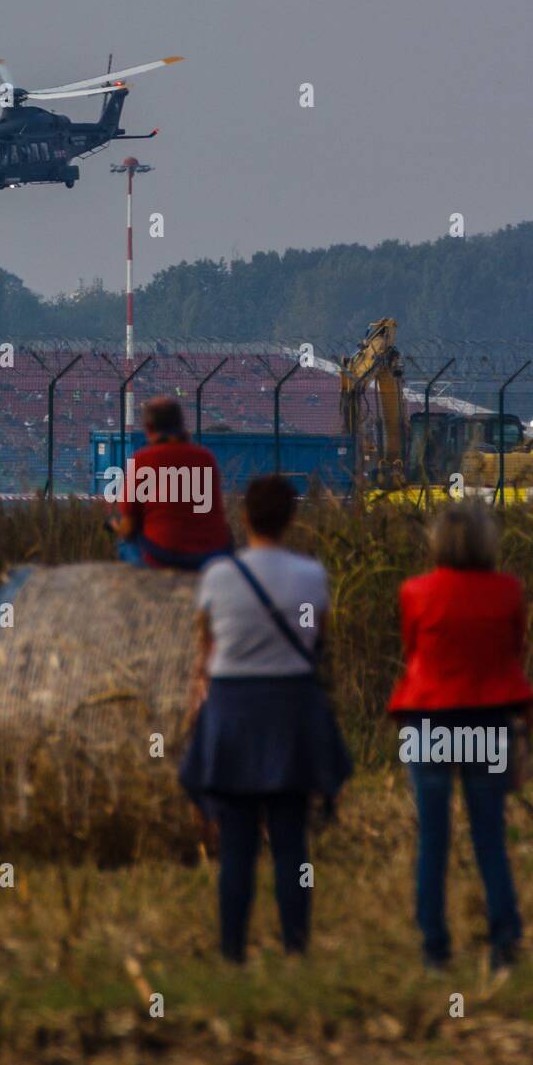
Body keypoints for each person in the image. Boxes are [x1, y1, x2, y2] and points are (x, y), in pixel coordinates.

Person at [179, 475, 351, 962]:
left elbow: (205, 652)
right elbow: (316, 641)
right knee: (292, 842)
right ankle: (296, 945)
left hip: (233, 712)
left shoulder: (218, 576)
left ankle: (232, 950)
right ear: (291, 519)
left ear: (245, 517)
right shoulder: (311, 576)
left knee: (235, 846)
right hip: (290, 711)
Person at [388, 500, 533, 973]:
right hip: (488, 718)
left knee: (432, 838)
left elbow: (413, 652)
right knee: (489, 837)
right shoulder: (508, 592)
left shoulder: (415, 592)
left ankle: (435, 948)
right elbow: (514, 652)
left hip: (428, 719)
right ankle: (503, 944)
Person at [108, 397, 233, 570]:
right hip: (210, 553)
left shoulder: (142, 460)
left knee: (126, 544)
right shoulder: (205, 458)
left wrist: (116, 527)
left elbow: (129, 526)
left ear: (149, 428)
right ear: (181, 425)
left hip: (163, 554)